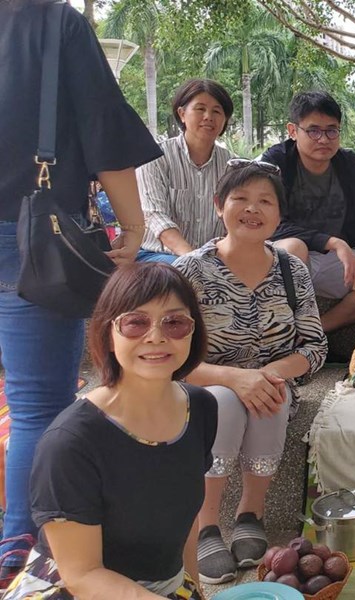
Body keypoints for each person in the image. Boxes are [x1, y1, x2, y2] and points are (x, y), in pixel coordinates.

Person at [0, 0, 162, 578]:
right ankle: (22, 552)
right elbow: (103, 128)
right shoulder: (54, 22)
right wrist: (133, 225)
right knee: (38, 405)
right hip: (33, 241)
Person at [1, 263, 213, 599]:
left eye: (174, 322)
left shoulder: (199, 407)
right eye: (135, 322)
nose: (156, 336)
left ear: (193, 331)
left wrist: (195, 587)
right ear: (108, 334)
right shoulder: (70, 443)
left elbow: (184, 518)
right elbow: (82, 575)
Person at [174, 160, 327, 584]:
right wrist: (234, 378)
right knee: (224, 400)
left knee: (271, 394)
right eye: (240, 199)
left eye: (265, 201)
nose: (252, 209)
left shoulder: (291, 269)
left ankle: (250, 514)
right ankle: (207, 526)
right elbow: (173, 356)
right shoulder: (189, 271)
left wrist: (264, 375)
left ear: (279, 214)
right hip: (204, 389)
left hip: (273, 389)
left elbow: (314, 347)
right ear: (219, 205)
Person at [263, 91, 355, 333]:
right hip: (297, 258)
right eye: (313, 131)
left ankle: (317, 330)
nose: (324, 139)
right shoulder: (276, 162)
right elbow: (269, 223)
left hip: (343, 262)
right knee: (292, 248)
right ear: (293, 131)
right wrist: (332, 242)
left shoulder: (349, 163)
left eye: (331, 130)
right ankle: (279, 328)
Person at [136, 79, 236, 263]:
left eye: (217, 111)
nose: (208, 116)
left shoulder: (233, 166)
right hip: (159, 257)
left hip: (215, 258)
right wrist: (194, 260)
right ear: (182, 113)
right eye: (200, 109)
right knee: (182, 275)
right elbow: (155, 215)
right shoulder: (155, 158)